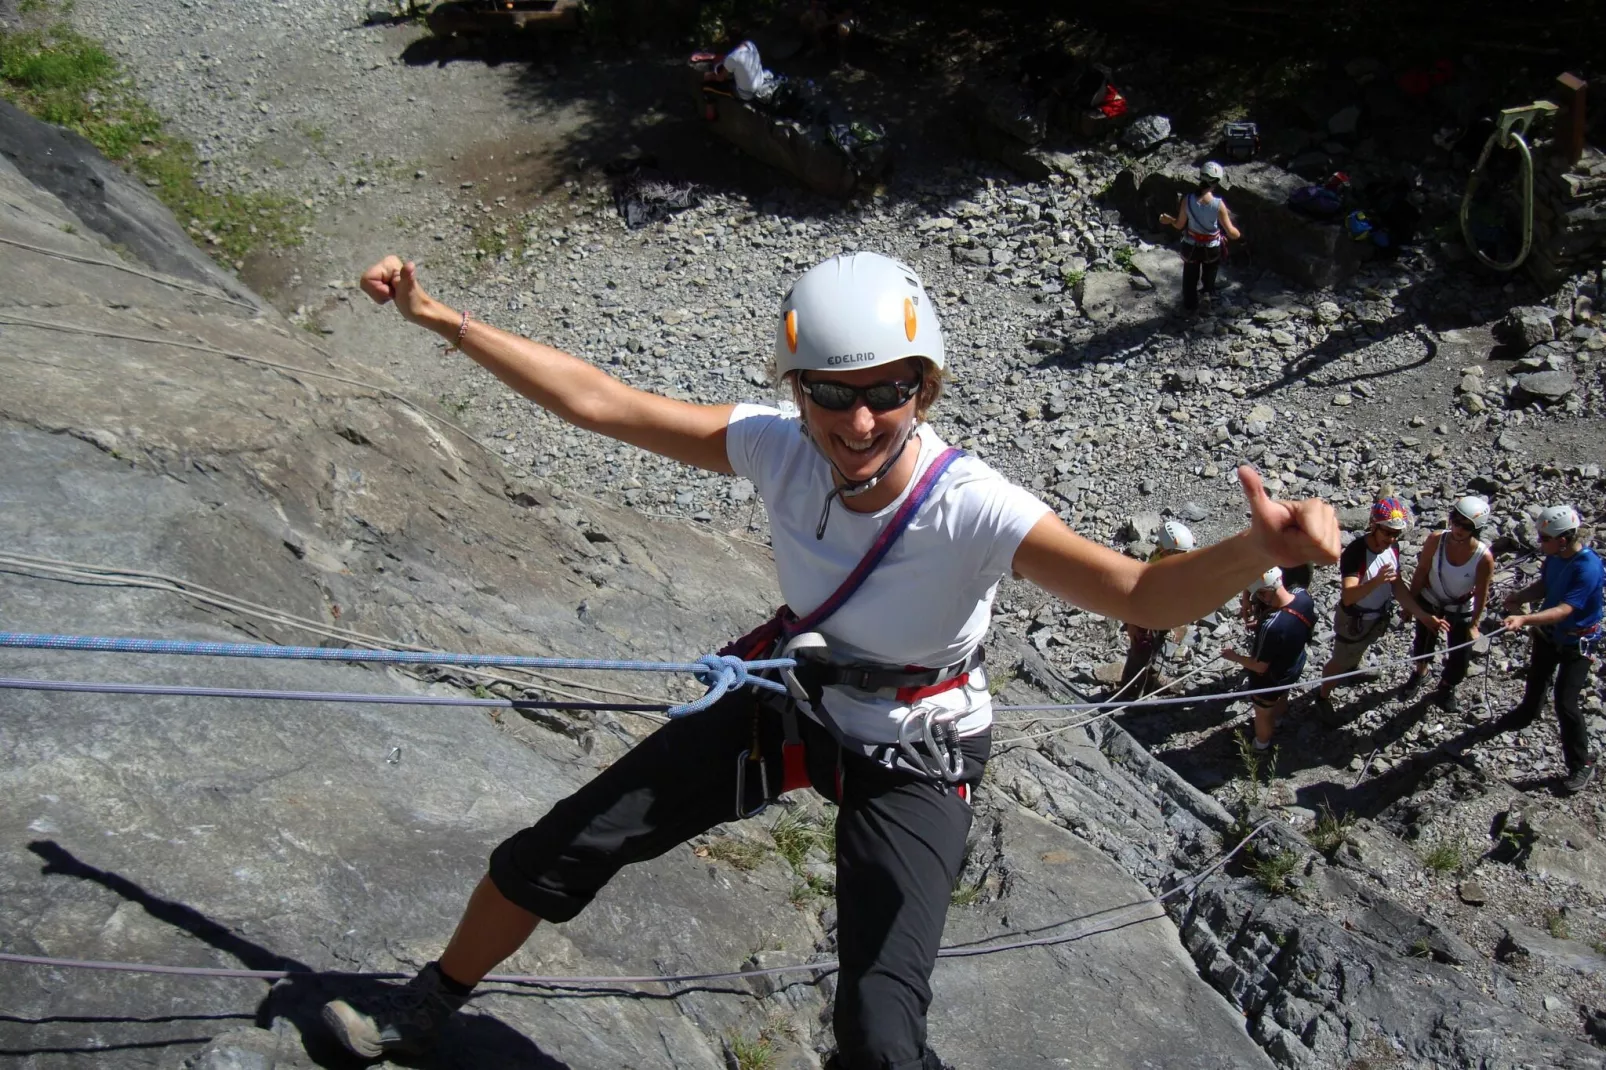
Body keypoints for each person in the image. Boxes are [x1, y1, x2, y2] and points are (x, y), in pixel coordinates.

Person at [322, 251, 1340, 1069]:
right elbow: (599, 401)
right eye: (830, 394)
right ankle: (428, 1003)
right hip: (794, 699)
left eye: (887, 391)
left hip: (919, 740)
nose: (858, 422)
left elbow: (1135, 592)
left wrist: (1257, 550)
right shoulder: (776, 445)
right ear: (797, 390)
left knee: (880, 1033)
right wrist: (440, 318)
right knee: (558, 847)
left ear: (925, 386)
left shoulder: (968, 502)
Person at [1496, 505, 1603, 795]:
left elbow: (1564, 609)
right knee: (1537, 678)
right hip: (1549, 635)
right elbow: (1545, 586)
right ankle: (1526, 714)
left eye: (1544, 538)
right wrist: (1519, 596)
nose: (1540, 543)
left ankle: (1581, 763)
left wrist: (1524, 618)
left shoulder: (1588, 568)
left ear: (1564, 539)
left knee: (1566, 702)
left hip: (1577, 641)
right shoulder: (1555, 557)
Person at [1314, 496, 1435, 718]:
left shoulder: (1393, 547)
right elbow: (1348, 596)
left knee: (1360, 648)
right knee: (1339, 660)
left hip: (1376, 616)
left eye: (1395, 533)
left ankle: (1353, 669)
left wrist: (1422, 615)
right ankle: (1322, 695)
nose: (1391, 538)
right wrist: (1376, 581)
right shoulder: (1356, 552)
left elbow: (1396, 585)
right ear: (1374, 526)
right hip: (1354, 619)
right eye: (1387, 532)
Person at [1401, 495, 1495, 712]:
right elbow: (1422, 571)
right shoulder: (1436, 540)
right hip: (1431, 598)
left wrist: (1474, 624)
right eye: (1456, 521)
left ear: (1476, 529)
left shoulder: (1483, 557)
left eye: (1466, 525)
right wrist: (1410, 604)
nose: (1458, 528)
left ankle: (1447, 686)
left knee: (1460, 656)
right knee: (1423, 643)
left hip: (1460, 608)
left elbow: (1482, 593)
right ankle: (1420, 673)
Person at [1221, 567, 1317, 751]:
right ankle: (1279, 720)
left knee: (1262, 713)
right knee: (1282, 694)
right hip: (1295, 664)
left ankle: (1260, 745)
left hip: (1270, 679)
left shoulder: (1271, 626)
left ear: (1265, 594)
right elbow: (1293, 619)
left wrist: (1234, 657)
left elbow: (1260, 666)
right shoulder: (1303, 595)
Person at [1119, 520, 1195, 696]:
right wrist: (1132, 625)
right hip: (1144, 622)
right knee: (1140, 655)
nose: (1184, 556)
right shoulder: (1153, 571)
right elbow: (1137, 598)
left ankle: (1146, 678)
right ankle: (1129, 695)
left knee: (1151, 651)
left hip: (1158, 618)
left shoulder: (1167, 559)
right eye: (1179, 552)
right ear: (1168, 550)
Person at [1159, 161, 1241, 313]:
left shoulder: (1188, 199)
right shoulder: (1218, 204)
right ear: (1216, 182)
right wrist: (1238, 233)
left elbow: (1179, 225)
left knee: (1190, 277)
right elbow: (1232, 233)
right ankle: (1207, 296)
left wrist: (1169, 220)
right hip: (1212, 248)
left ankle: (1189, 306)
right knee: (1209, 274)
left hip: (1191, 246)